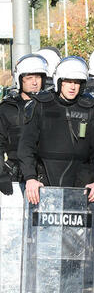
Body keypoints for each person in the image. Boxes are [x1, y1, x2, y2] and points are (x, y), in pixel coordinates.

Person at [18, 56, 94, 205]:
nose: (72, 87)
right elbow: (26, 146)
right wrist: (30, 178)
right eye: (68, 81)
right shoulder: (40, 105)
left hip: (82, 185)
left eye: (77, 82)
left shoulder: (91, 108)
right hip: (44, 182)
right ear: (59, 81)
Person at [0, 53, 48, 194]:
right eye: (29, 78)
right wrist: (1, 174)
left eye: (38, 77)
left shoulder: (52, 107)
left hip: (47, 177)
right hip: (15, 178)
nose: (34, 82)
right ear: (20, 80)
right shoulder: (7, 109)